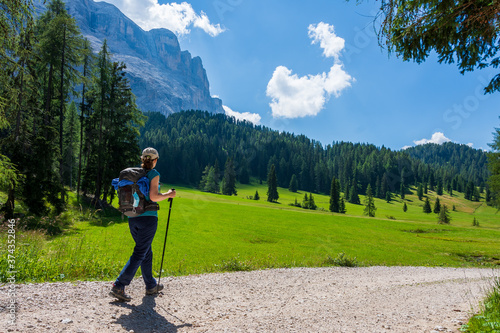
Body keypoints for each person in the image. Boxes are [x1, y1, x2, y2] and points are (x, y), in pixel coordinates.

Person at [109, 147, 176, 302]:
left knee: (146, 251)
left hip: (132, 217)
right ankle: (119, 285)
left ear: (142, 159)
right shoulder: (153, 174)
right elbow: (153, 196)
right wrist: (168, 194)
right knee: (140, 252)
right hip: (148, 219)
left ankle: (151, 285)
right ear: (154, 160)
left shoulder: (134, 175)